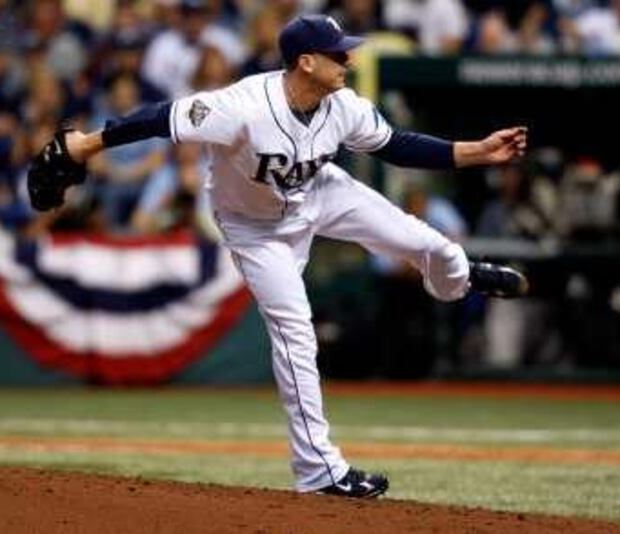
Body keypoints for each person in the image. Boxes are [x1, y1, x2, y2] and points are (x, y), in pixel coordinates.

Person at [27, 14, 529, 498]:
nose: (348, 60)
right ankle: (320, 471)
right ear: (306, 62)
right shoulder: (241, 106)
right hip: (255, 228)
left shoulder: (342, 104)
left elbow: (398, 145)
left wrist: (478, 150)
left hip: (320, 192)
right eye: (338, 54)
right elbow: (161, 118)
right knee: (295, 330)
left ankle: (459, 281)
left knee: (430, 244)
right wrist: (84, 146)